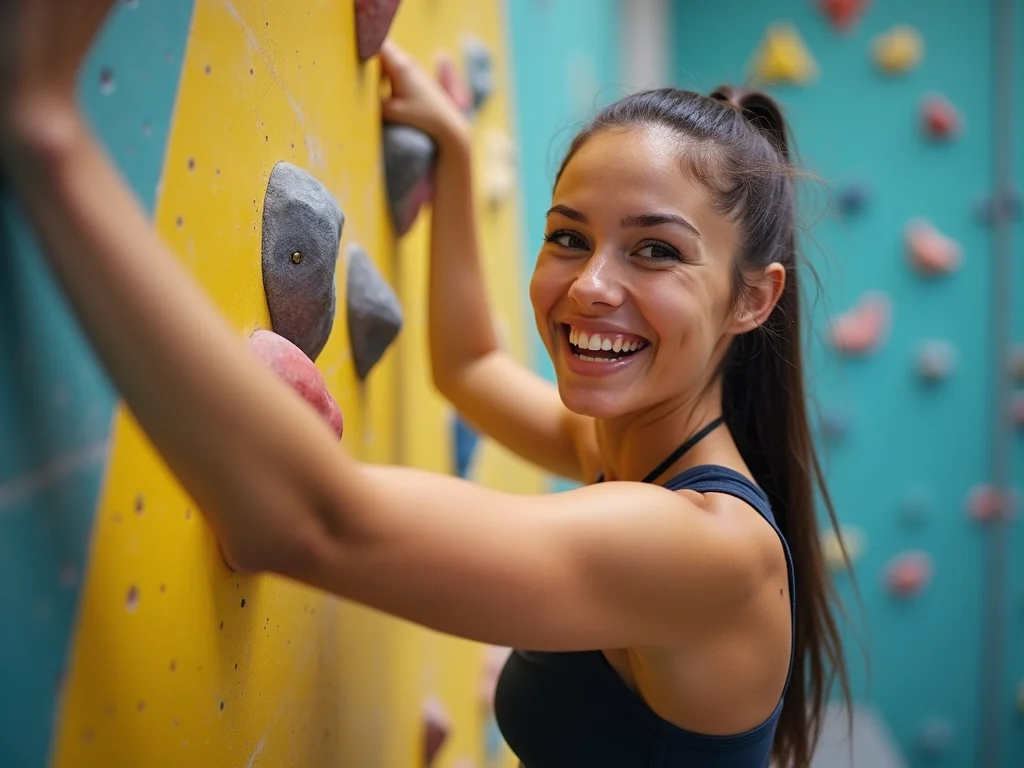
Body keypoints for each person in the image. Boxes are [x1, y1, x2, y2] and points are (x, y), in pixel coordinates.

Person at [0, 2, 850, 766]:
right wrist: (452, 147)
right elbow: (471, 369)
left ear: (752, 298)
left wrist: (47, 131)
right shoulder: (625, 447)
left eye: (655, 250)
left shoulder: (709, 552)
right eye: (567, 237)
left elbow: (303, 522)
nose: (591, 285)